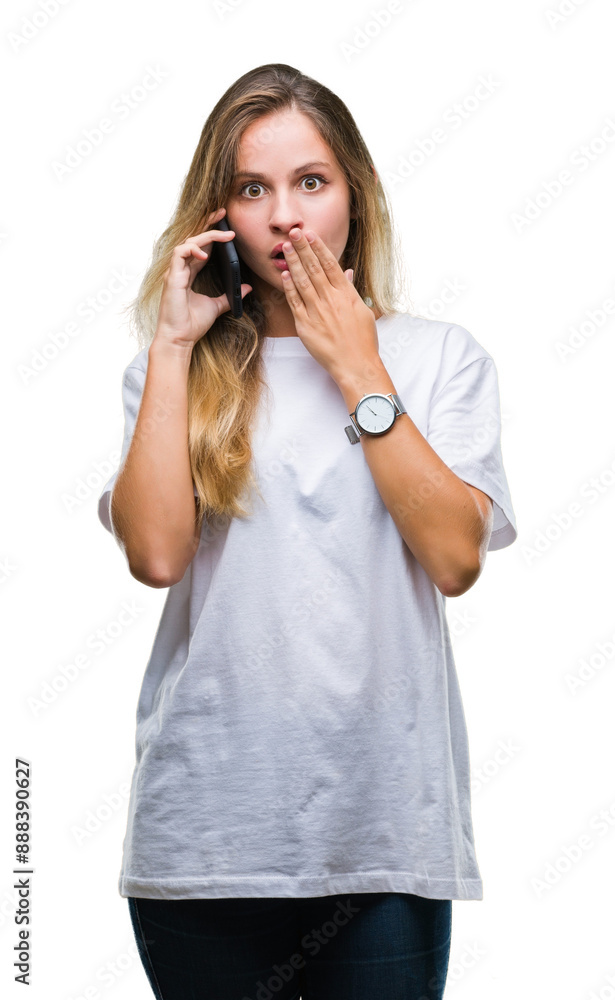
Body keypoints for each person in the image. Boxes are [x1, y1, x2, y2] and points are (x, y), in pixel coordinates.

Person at [97, 63, 517, 1000]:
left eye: (311, 182)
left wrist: (356, 367)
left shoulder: (437, 359)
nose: (284, 216)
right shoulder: (171, 373)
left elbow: (454, 558)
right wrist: (172, 344)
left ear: (354, 196)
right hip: (205, 838)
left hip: (382, 837)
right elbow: (156, 556)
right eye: (253, 189)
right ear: (219, 216)